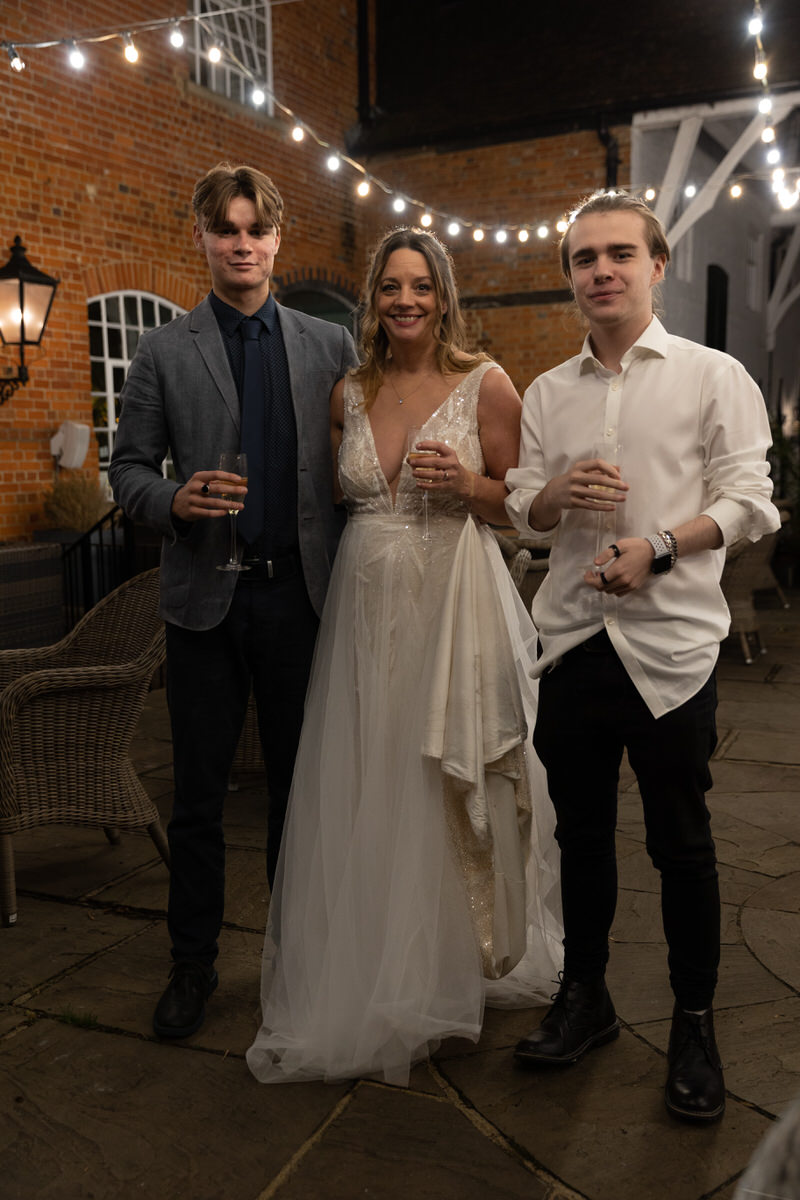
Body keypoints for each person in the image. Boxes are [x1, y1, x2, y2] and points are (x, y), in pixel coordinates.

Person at [246, 227, 563, 1086]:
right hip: (360, 610)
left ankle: (444, 969)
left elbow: (527, 505)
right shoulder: (351, 391)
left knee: (439, 777)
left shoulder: (486, 384)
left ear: (444, 295)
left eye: (421, 286)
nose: (406, 301)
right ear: (373, 298)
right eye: (391, 286)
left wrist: (467, 488)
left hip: (451, 606)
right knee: (366, 778)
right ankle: (370, 962)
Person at [505, 190, 781, 1122]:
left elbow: (751, 500)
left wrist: (659, 545)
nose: (602, 271)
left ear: (657, 265)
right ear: (572, 277)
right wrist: (552, 497)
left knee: (682, 845)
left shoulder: (714, 375)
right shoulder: (547, 391)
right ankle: (587, 997)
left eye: (620, 253)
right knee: (576, 836)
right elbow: (520, 513)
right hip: (574, 640)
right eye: (585, 259)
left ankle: (695, 1024)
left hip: (671, 648)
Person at [109, 162, 358, 1040]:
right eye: (226, 229)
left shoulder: (330, 346)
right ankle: (193, 966)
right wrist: (172, 499)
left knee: (302, 795)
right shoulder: (163, 350)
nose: (242, 244)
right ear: (203, 238)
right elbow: (127, 470)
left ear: (277, 240)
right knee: (198, 800)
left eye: (256, 229)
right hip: (203, 606)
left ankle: (298, 965)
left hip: (301, 600)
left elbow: (358, 466)